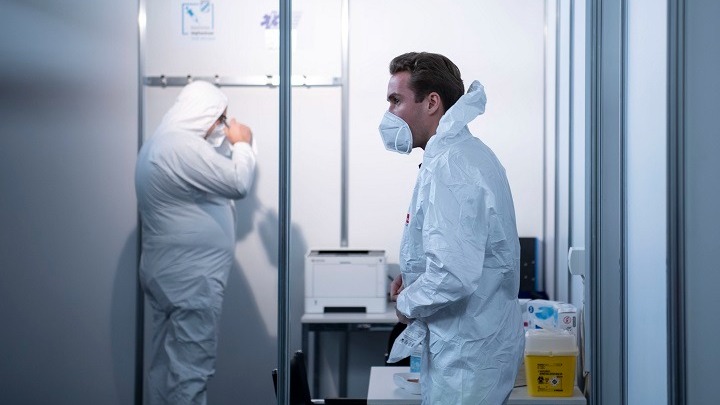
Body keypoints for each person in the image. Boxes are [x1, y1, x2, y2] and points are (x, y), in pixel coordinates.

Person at [380, 52, 524, 404]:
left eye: (396, 100)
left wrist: (407, 304)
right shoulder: (465, 155)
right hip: (472, 351)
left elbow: (453, 275)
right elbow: (460, 254)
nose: (389, 114)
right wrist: (415, 277)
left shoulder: (451, 166)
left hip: (464, 362)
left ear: (432, 103)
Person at [135, 80, 256, 405]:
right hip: (191, 284)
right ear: (203, 113)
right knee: (190, 371)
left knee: (164, 368)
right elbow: (238, 182)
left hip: (168, 278)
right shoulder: (181, 146)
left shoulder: (159, 144)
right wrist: (242, 144)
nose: (223, 127)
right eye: (220, 118)